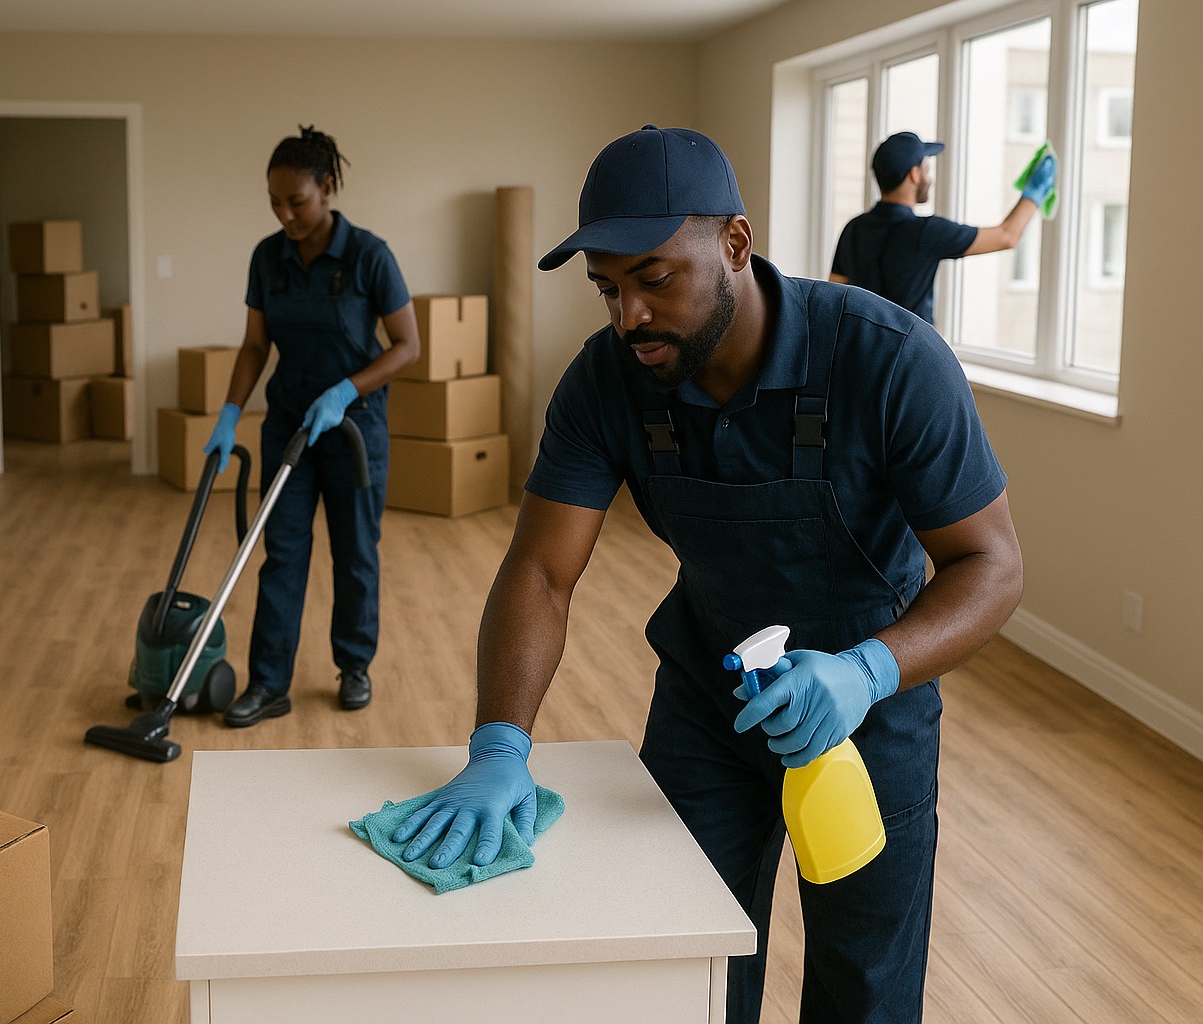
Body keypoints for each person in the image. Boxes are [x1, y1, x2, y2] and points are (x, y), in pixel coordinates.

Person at [391, 126, 1023, 1022]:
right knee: (686, 974)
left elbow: (991, 566)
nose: (629, 316)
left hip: (868, 714)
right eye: (608, 288)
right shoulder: (608, 381)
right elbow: (540, 570)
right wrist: (501, 742)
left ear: (734, 243)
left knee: (865, 990)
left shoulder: (887, 358)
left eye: (654, 278)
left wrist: (865, 671)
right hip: (709, 708)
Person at [202, 125, 421, 727]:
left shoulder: (369, 255)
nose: (285, 215)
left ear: (326, 187)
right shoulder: (266, 257)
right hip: (290, 429)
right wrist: (229, 412)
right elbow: (255, 345)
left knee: (355, 554)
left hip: (354, 433)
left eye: (295, 201)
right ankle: (268, 683)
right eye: (274, 203)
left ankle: (354, 666)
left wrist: (347, 389)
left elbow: (408, 346)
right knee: (282, 553)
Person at [830, 130, 1058, 324]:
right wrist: (1034, 192)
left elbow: (835, 296)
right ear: (914, 174)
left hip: (861, 355)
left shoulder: (853, 229)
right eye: (926, 169)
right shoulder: (926, 232)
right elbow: (1007, 236)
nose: (929, 178)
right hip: (910, 356)